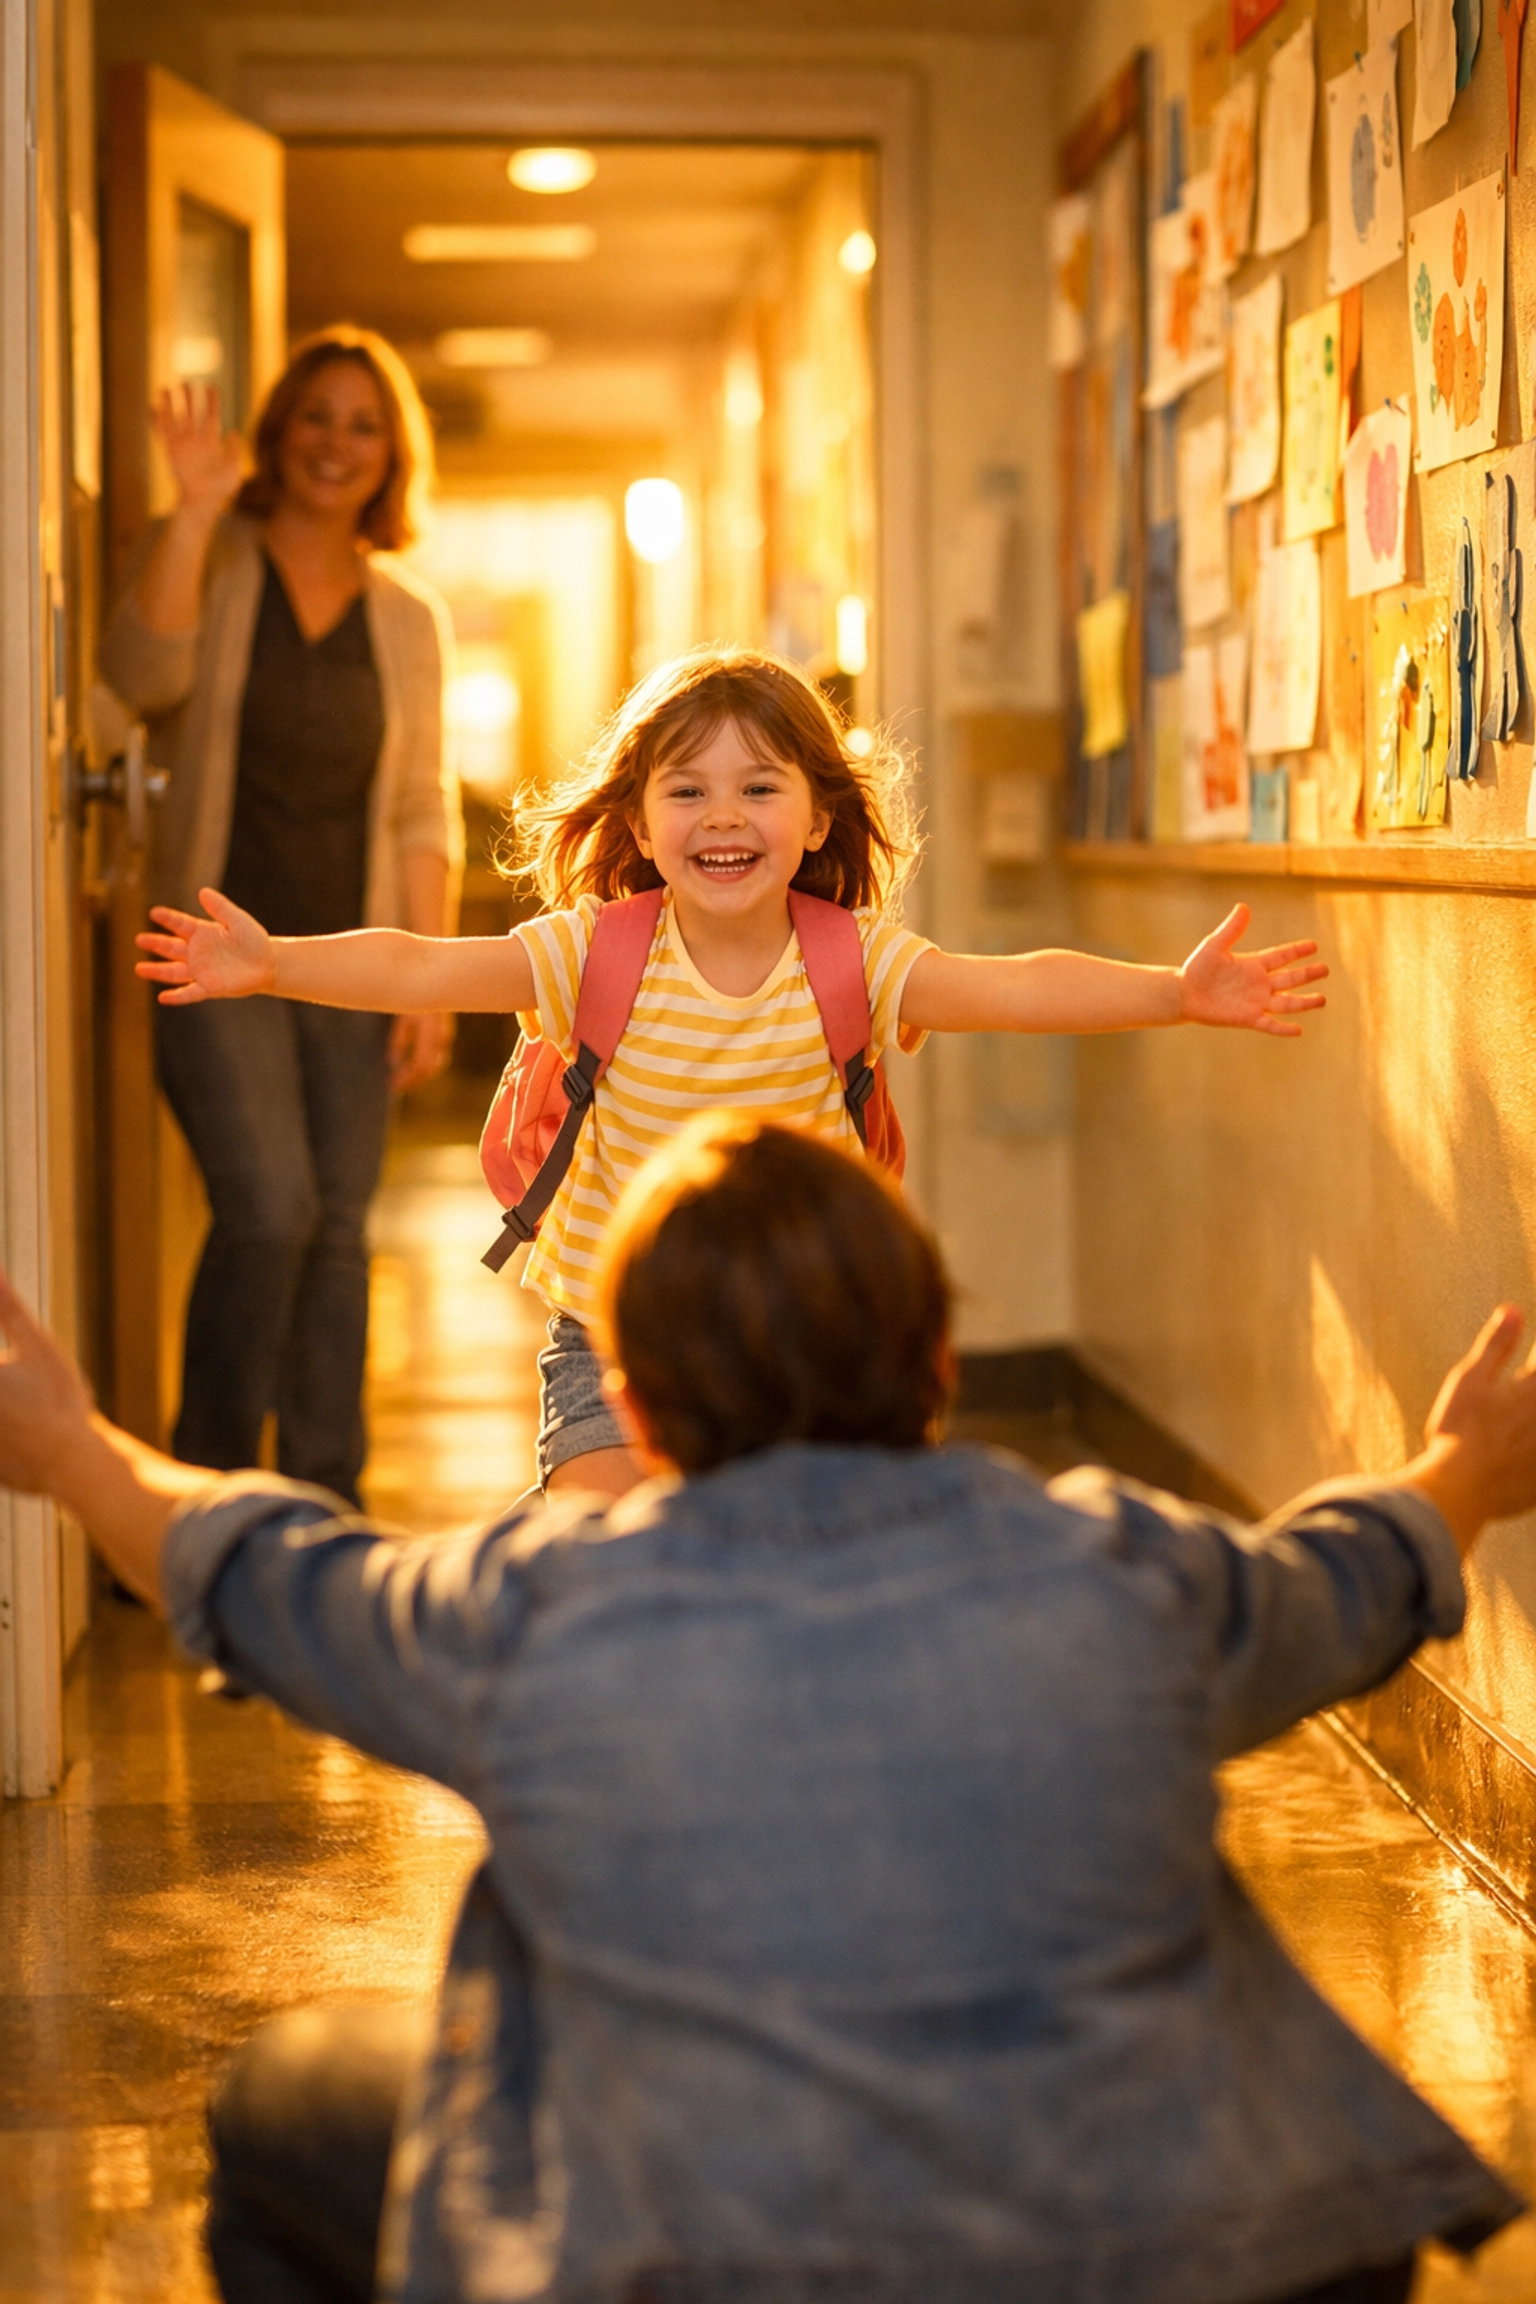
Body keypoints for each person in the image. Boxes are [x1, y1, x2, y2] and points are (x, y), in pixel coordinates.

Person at [0, 1111, 1530, 2304]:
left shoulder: (534, 1618)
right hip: (1183, 2263)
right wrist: (1463, 1467)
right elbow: (1338, 1583)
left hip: (697, 2268)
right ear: (936, 1368)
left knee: (285, 2106)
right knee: (1329, 2198)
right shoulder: (1120, 1572)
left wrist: (71, 1451)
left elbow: (269, 1572)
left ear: (645, 1416)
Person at [135, 648, 1327, 1503]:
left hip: (801, 1334)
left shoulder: (850, 960)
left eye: (760, 788)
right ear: (642, 822)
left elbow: (1013, 986)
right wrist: (275, 962)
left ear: (816, 819)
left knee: (805, 1567)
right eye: (688, 789)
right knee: (608, 1551)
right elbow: (425, 965)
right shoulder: (592, 949)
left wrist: (1175, 992)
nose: (725, 814)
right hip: (612, 1330)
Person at [102, 327, 462, 1503]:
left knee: (341, 1231)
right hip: (212, 954)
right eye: (317, 416)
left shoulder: (408, 617)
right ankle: (200, 1503)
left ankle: (323, 1506)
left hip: (347, 966)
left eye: (364, 425)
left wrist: (432, 980)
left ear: (390, 455)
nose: (336, 444)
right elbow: (137, 679)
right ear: (279, 429)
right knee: (270, 1212)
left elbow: (420, 807)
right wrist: (195, 511)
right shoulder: (215, 555)